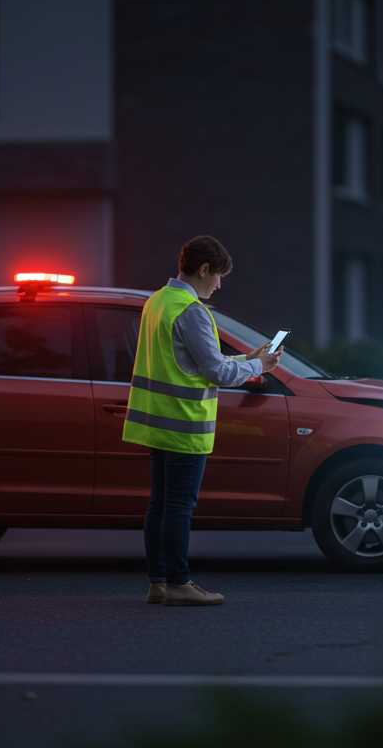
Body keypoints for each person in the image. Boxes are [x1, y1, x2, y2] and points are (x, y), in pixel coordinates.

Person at [123, 235, 282, 606]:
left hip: (157, 420)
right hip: (185, 423)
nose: (219, 284)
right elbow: (215, 372)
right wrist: (260, 365)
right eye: (219, 276)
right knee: (179, 506)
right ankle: (179, 583)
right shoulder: (192, 310)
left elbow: (194, 365)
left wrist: (247, 359)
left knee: (160, 504)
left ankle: (158, 582)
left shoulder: (157, 302)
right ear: (204, 269)